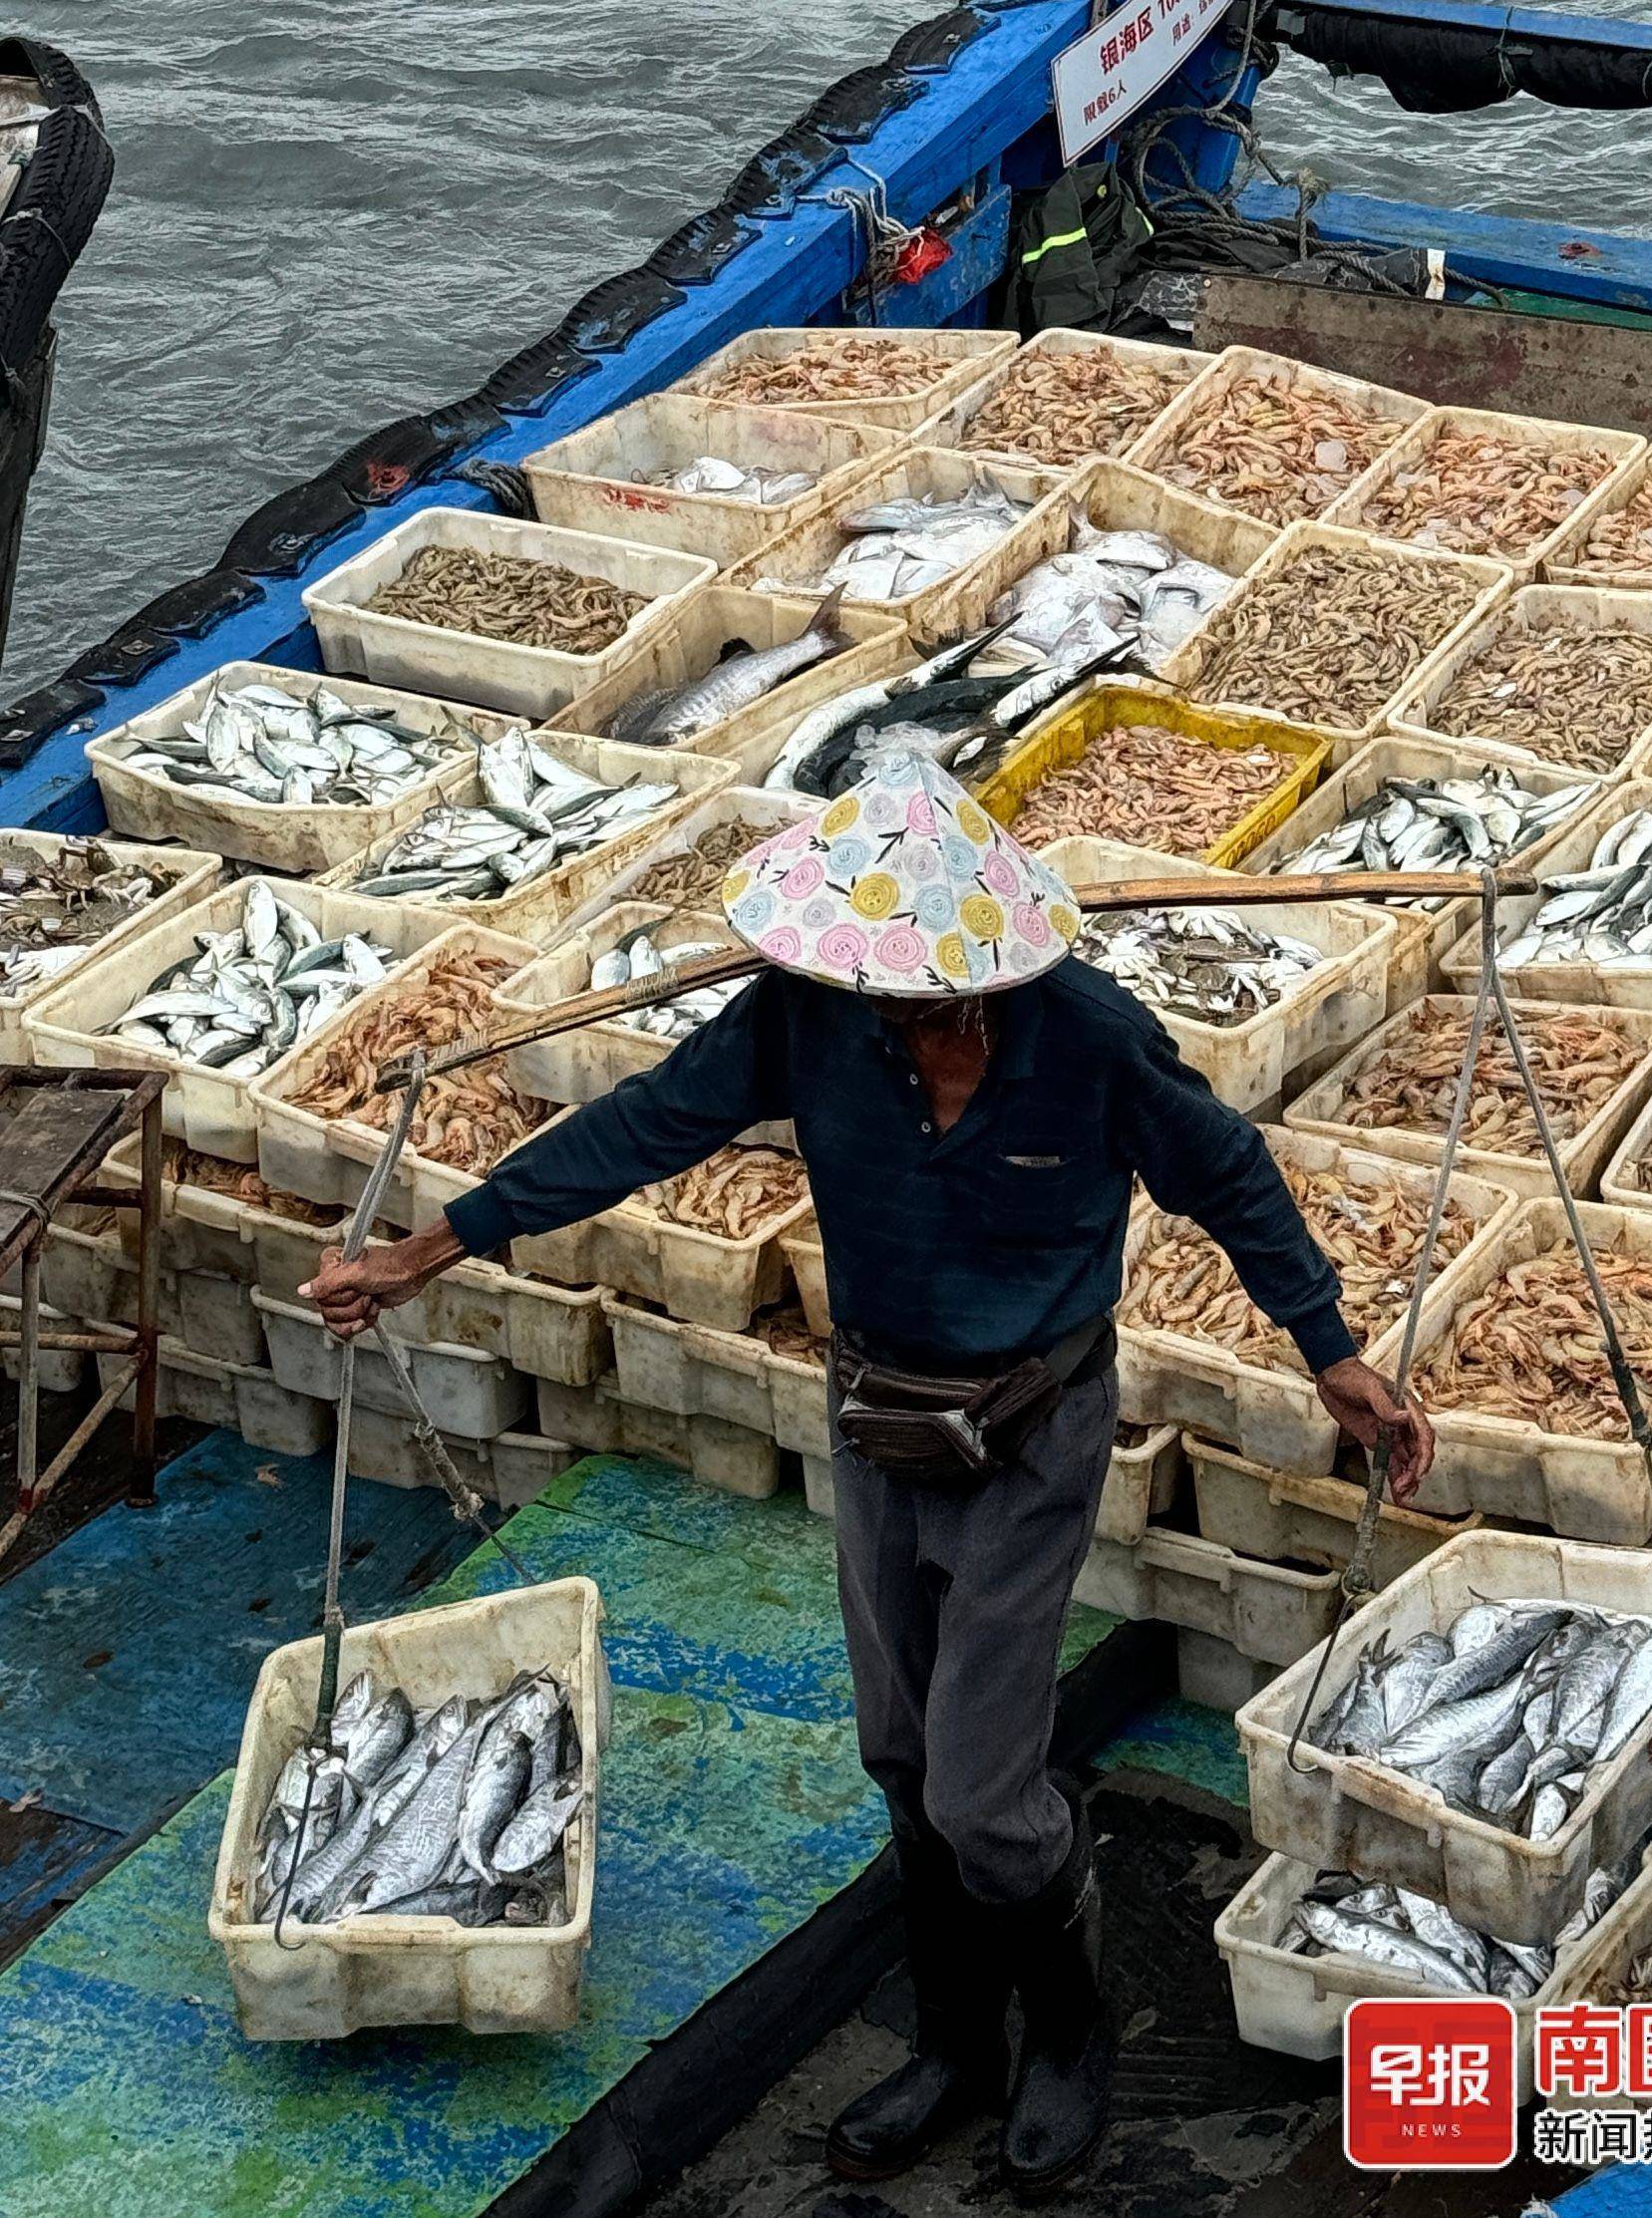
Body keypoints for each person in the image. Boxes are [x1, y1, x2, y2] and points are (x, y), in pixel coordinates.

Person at [303, 756, 1432, 2197]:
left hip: (1029, 1435)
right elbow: (643, 1126)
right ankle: (957, 2041)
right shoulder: (805, 1019)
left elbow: (1231, 1179)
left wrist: (1328, 1349)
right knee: (898, 1759)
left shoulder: (1088, 1038)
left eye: (913, 989)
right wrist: (428, 1245)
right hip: (877, 1421)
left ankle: (1070, 2026)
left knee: (978, 1786)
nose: (887, 1009)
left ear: (978, 973)